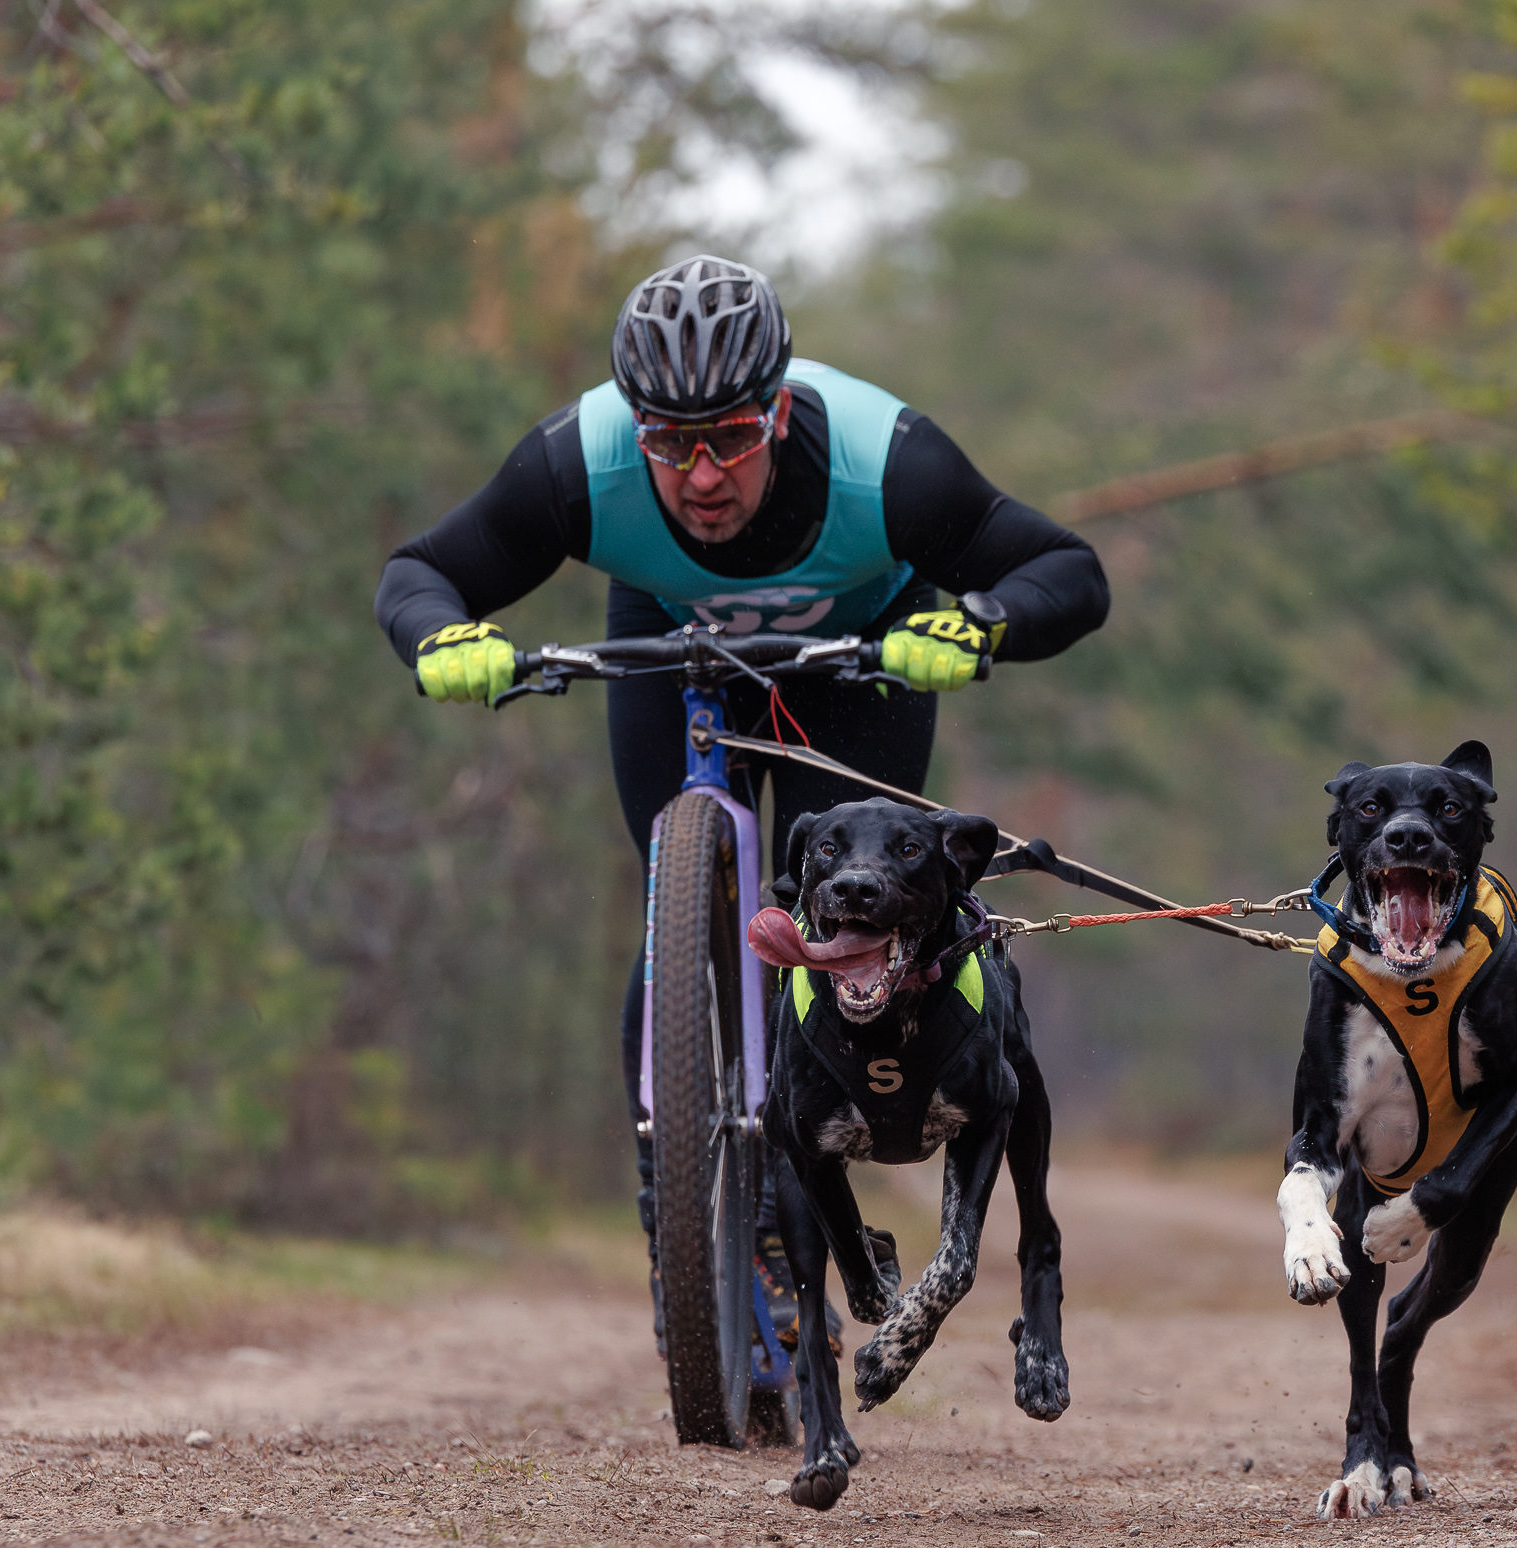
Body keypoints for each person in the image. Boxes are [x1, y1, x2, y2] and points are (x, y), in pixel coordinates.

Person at [375, 255, 1108, 1343]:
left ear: (779, 407)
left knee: (837, 916)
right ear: (634, 426)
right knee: (675, 906)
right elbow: (419, 571)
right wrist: (442, 638)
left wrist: (977, 624)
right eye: (668, 442)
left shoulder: (887, 462)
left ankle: (812, 1178)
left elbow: (1068, 570)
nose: (700, 473)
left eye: (728, 435)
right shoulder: (575, 463)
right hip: (674, 648)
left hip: (855, 662)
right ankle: (674, 1209)